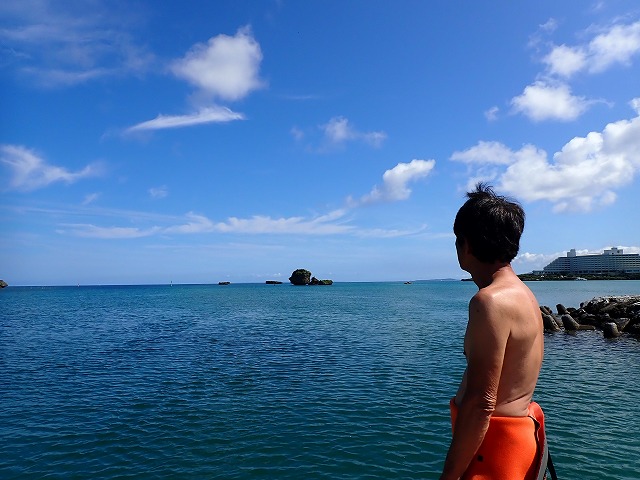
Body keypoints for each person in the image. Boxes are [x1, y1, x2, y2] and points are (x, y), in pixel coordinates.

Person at [440, 183, 545, 480]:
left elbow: (481, 403)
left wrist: (448, 477)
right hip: (517, 446)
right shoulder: (524, 295)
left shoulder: (489, 301)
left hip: (493, 455)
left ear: (467, 245)